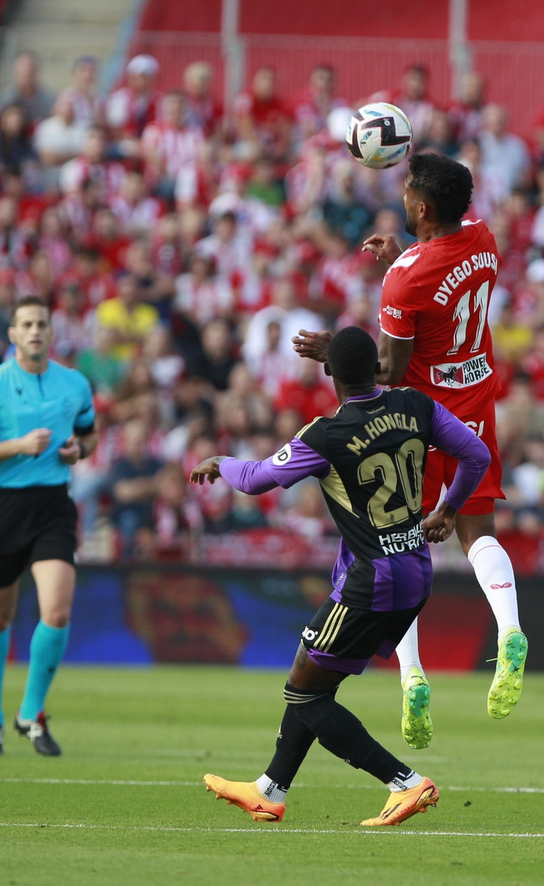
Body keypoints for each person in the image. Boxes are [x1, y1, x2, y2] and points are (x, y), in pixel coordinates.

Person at [194, 325, 489, 826]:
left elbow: (256, 479)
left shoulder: (327, 433)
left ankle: (406, 782)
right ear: (377, 366)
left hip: (373, 578)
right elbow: (476, 455)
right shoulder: (414, 404)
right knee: (313, 680)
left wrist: (221, 461)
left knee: (302, 690)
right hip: (416, 568)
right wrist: (448, 509)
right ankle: (270, 788)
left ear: (327, 371)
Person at [294, 152, 526, 750]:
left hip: (418, 420)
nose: (400, 199)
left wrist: (335, 354)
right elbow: (444, 281)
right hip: (474, 402)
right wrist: (408, 251)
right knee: (479, 532)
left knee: (399, 543)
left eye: (405, 193)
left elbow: (392, 368)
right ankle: (511, 629)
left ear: (422, 207)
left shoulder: (405, 278)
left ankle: (413, 676)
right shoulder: (484, 238)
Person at [0, 295, 99, 756]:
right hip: (1, 508)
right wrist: (16, 446)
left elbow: (89, 434)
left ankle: (31, 713)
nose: (35, 331)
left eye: (41, 324)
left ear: (52, 334)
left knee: (56, 610)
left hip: (52, 505)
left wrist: (80, 452)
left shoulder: (74, 384)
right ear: (13, 334)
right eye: (26, 324)